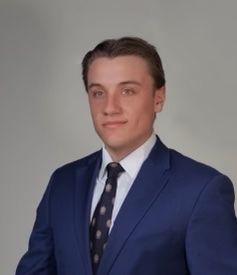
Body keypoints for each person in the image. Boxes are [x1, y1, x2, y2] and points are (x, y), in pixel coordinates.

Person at [16, 37, 237, 275]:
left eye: (127, 91)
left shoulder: (201, 190)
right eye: (98, 92)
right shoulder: (63, 182)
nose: (110, 107)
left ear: (158, 97)